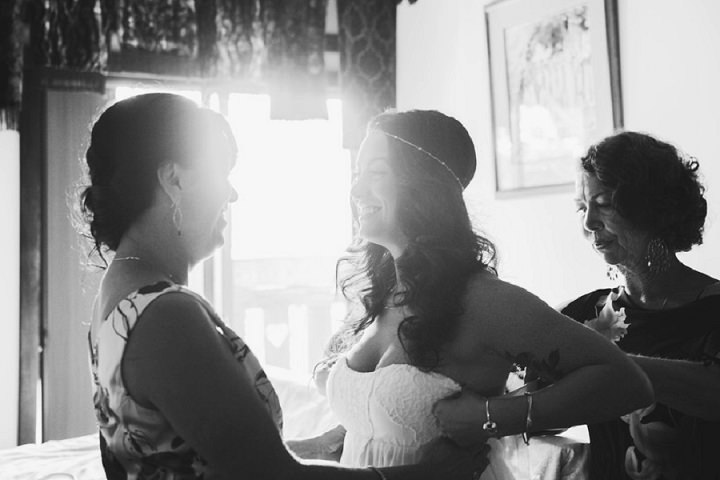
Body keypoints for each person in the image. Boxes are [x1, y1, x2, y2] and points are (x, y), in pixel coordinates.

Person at [79, 93, 480, 480]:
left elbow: (208, 454)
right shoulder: (167, 314)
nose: (232, 194)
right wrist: (429, 475)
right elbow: (275, 477)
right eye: (221, 174)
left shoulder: (119, 292)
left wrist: (319, 446)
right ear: (174, 180)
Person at [311, 109, 653, 478]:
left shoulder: (481, 301)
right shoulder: (381, 294)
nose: (357, 190)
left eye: (376, 172)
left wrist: (492, 416)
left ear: (425, 186)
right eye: (358, 173)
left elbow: (627, 383)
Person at [562, 131, 720, 479]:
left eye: (602, 203)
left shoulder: (713, 313)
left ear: (651, 208)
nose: (588, 222)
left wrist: (604, 364)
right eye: (581, 207)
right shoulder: (581, 316)